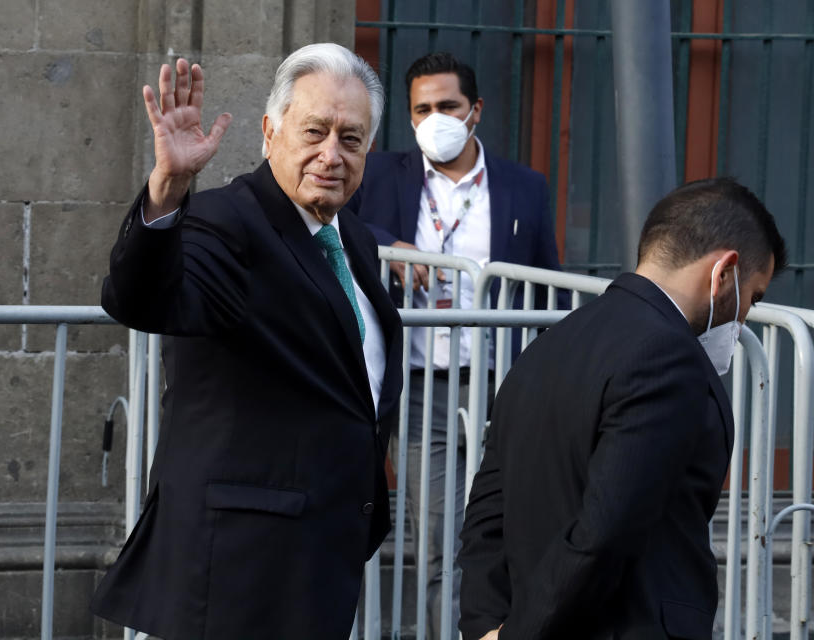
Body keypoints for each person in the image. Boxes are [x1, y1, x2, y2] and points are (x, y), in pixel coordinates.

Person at [89, 43, 403, 639]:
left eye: (351, 139)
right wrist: (168, 191)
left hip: (319, 557)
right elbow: (141, 299)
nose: (330, 154)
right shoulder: (224, 220)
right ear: (270, 130)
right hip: (238, 569)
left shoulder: (353, 239)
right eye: (314, 131)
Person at [458, 177, 787, 640]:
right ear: (724, 272)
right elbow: (607, 529)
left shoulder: (549, 344)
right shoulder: (669, 357)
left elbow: (487, 513)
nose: (745, 317)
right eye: (752, 296)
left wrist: (486, 626)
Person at [348, 51, 566, 639]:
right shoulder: (380, 175)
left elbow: (548, 279)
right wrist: (390, 244)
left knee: (518, 530)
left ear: (475, 112)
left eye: (447, 106)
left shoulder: (524, 187)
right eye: (422, 109)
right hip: (424, 392)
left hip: (507, 388)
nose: (434, 119)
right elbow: (335, 221)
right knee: (444, 541)